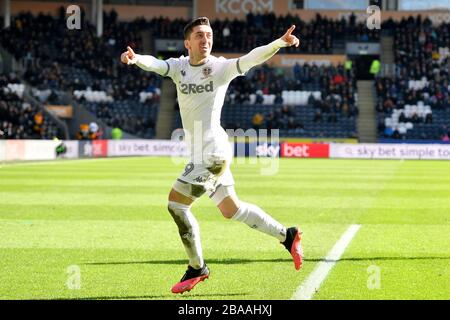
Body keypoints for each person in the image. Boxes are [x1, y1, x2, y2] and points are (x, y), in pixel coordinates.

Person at [121, 17, 303, 294]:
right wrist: (136, 60)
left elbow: (252, 58)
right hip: (201, 153)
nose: (205, 40)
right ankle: (287, 235)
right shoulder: (179, 67)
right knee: (232, 210)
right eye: (199, 36)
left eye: (209, 35)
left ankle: (197, 267)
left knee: (177, 205)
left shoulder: (219, 68)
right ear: (187, 43)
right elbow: (158, 65)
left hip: (213, 154)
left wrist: (279, 42)